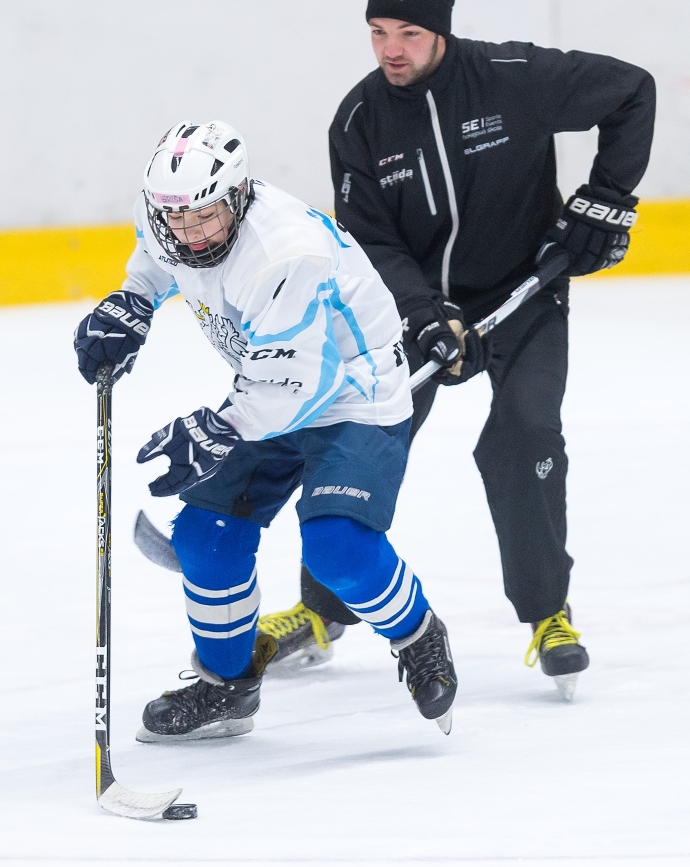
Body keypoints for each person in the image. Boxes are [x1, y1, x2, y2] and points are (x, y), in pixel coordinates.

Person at [255, 0, 657, 700]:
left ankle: (548, 614)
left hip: (526, 295)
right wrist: (422, 312)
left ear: (440, 28)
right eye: (378, 33)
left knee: (526, 432)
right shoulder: (358, 123)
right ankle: (320, 612)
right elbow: (369, 240)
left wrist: (608, 198)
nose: (391, 50)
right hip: (414, 314)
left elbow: (633, 89)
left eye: (407, 33)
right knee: (360, 436)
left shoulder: (514, 78)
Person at [72, 120, 459, 740]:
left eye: (206, 219)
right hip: (267, 388)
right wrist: (133, 304)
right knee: (205, 535)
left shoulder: (285, 253)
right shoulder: (170, 213)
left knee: (337, 547)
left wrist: (213, 429)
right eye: (178, 219)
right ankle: (226, 688)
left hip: (352, 393)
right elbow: (155, 258)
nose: (191, 235)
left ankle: (419, 634)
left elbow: (293, 384)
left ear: (239, 195)